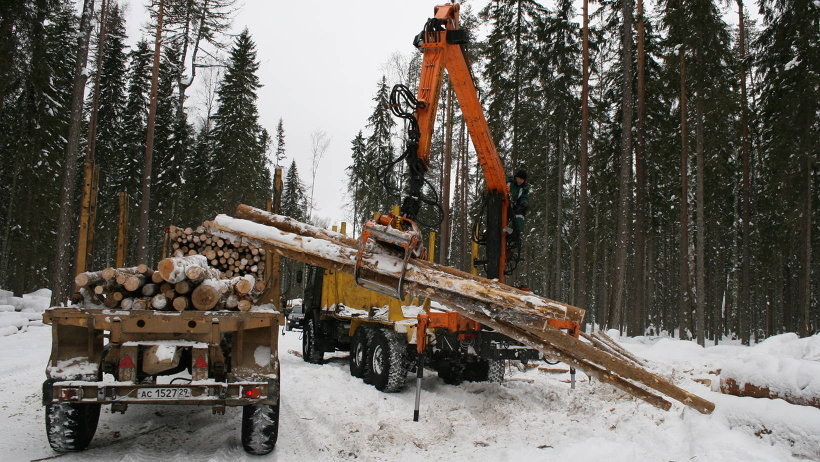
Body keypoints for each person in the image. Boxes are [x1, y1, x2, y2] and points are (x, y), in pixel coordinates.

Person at [506, 170, 529, 245]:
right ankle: (507, 230)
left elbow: (523, 197)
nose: (521, 181)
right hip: (503, 201)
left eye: (522, 180)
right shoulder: (509, 182)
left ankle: (516, 232)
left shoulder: (523, 188)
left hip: (513, 205)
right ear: (516, 177)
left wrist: (524, 203)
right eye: (520, 179)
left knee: (520, 212)